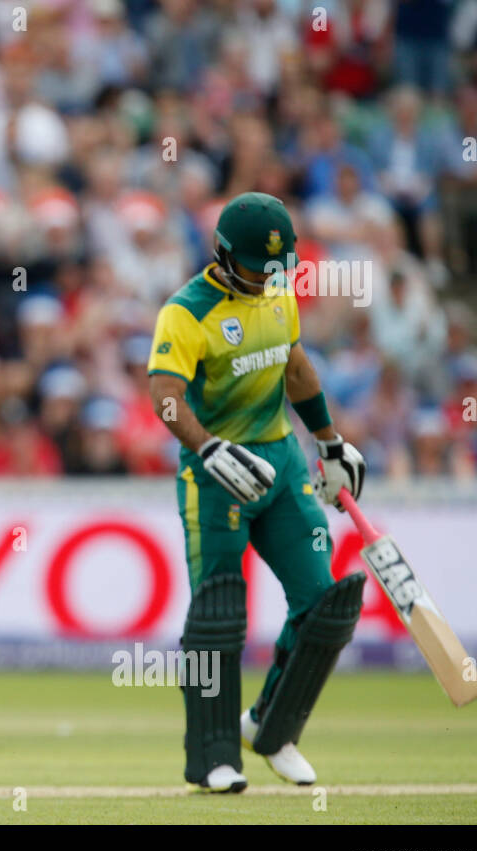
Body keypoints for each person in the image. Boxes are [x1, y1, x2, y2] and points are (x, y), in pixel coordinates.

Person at [147, 192, 367, 792]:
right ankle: (213, 755)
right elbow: (164, 392)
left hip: (283, 462)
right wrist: (207, 447)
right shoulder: (185, 312)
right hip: (217, 474)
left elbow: (294, 367)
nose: (268, 278)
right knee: (219, 613)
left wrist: (328, 442)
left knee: (323, 603)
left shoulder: (276, 291)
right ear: (222, 255)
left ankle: (271, 726)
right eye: (256, 267)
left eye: (277, 268)